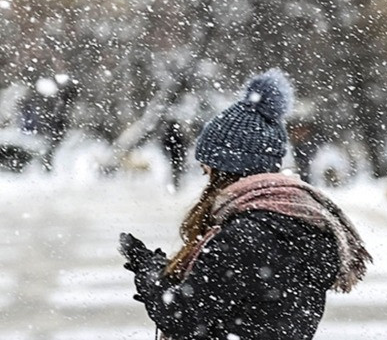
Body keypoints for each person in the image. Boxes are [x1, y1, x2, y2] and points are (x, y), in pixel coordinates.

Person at [119, 70, 372, 340]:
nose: (207, 180)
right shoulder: (299, 221)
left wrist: (148, 272)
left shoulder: (245, 236)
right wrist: (161, 270)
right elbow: (236, 297)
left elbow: (183, 317)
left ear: (229, 169)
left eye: (209, 171)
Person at [161, 119, 189, 191]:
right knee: (178, 169)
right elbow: (184, 144)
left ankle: (176, 184)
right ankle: (177, 184)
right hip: (178, 155)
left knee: (175, 170)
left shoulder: (169, 134)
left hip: (174, 155)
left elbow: (165, 144)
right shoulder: (178, 134)